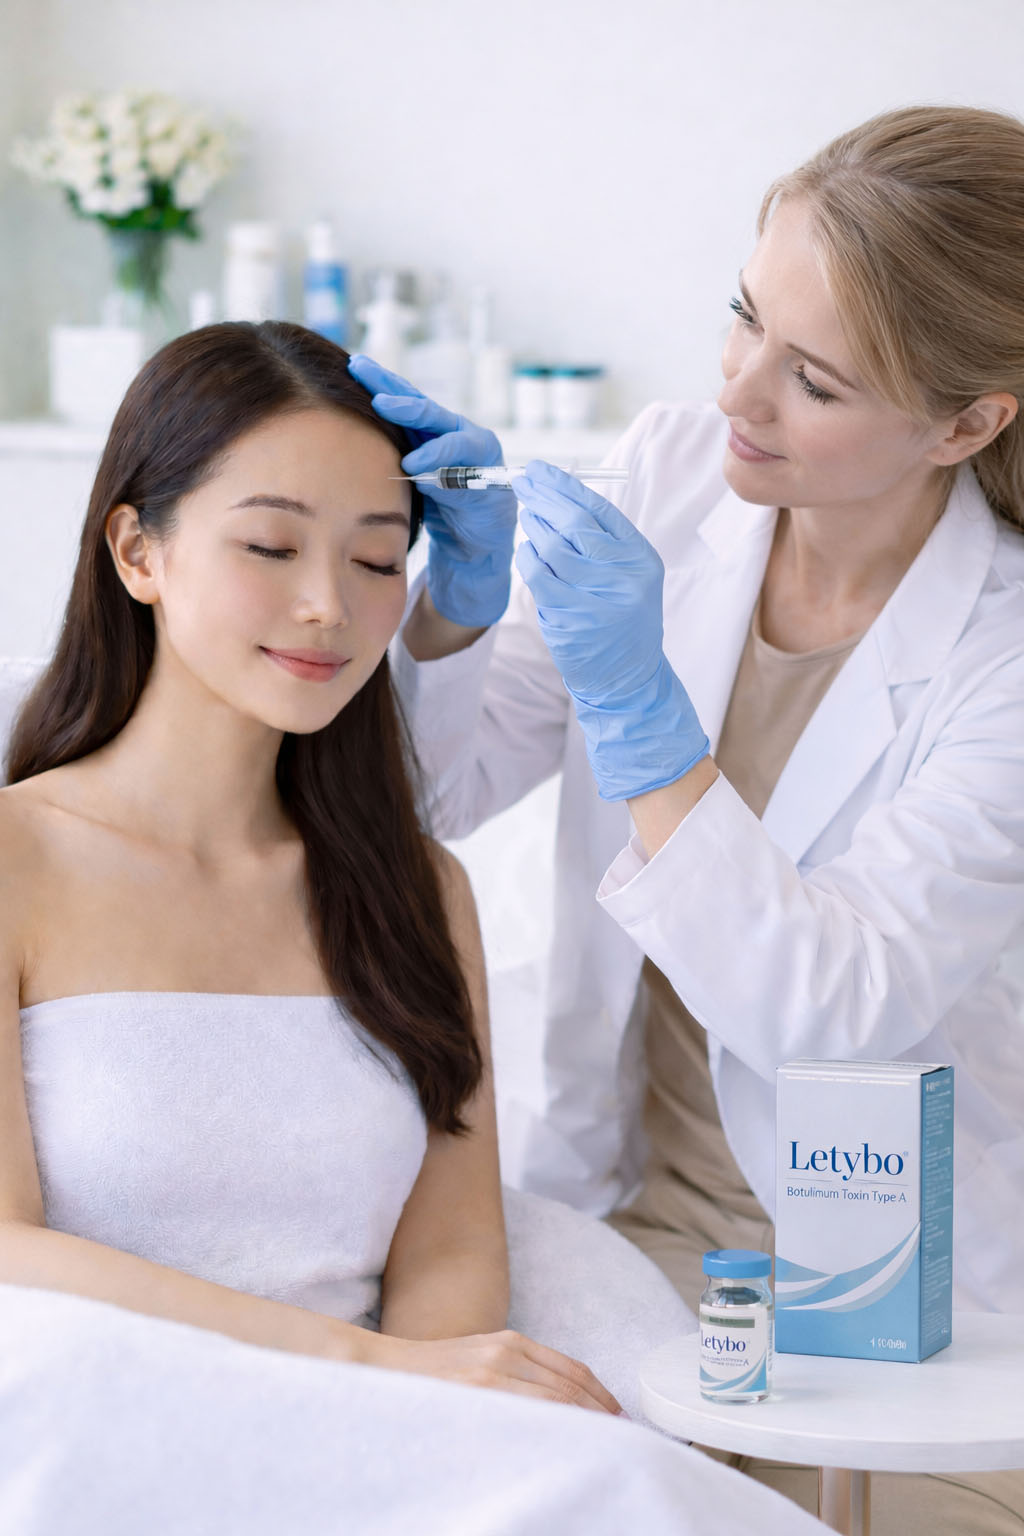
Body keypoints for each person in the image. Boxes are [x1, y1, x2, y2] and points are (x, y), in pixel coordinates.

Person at [352, 105, 1024, 1530]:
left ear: (966, 423)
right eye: (741, 318)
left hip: (922, 1303)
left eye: (815, 381)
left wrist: (651, 729)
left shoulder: (1005, 659)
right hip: (640, 1249)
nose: (738, 393)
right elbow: (431, 795)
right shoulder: (670, 478)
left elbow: (833, 1006)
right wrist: (449, 622)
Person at [0, 319, 693, 1430]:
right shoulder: (17, 860)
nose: (331, 604)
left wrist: (400, 1431)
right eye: (271, 548)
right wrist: (361, 1371)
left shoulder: (418, 891)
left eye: (378, 558)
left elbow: (452, 1259)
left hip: (376, 1446)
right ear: (138, 552)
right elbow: (5, 1256)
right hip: (90, 1430)